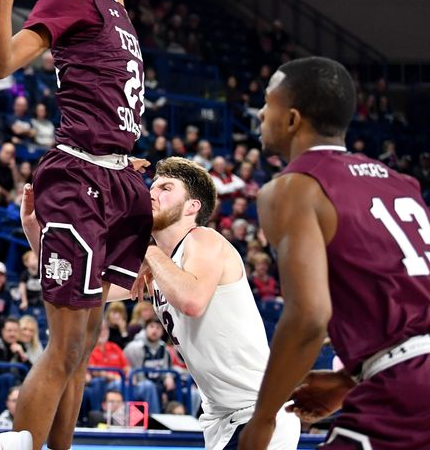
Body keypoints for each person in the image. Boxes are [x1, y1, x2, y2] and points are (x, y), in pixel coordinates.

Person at [0, 0, 152, 449]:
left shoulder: (122, 17)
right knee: (63, 347)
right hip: (77, 174)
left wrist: (123, 157)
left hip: (115, 178)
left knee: (83, 347)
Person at [238, 58, 430, 450]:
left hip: (407, 392)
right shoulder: (403, 184)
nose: (260, 112)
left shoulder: (292, 188)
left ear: (292, 119)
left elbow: (309, 317)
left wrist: (263, 419)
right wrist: (349, 380)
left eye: (268, 103)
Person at [109, 157, 301, 449]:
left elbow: (192, 300)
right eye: (152, 186)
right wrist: (39, 230)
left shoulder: (203, 240)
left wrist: (150, 252)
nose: (152, 192)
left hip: (258, 414)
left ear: (192, 206)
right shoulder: (162, 268)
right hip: (222, 421)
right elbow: (82, 292)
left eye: (165, 187)